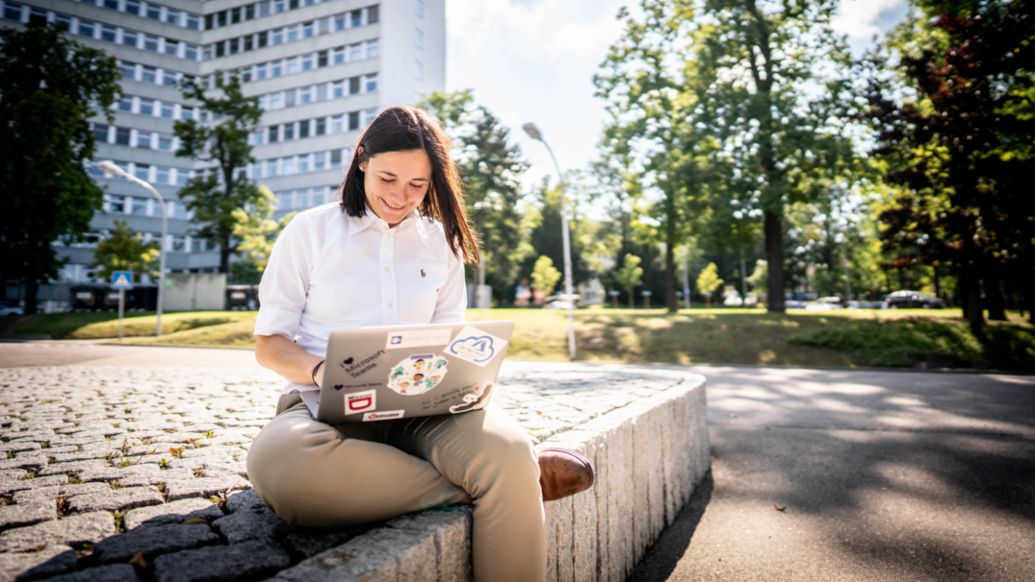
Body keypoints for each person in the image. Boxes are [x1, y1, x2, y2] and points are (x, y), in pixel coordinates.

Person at [245, 105, 594, 582]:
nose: (400, 197)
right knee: (282, 467)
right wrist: (323, 371)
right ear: (362, 160)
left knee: (507, 449)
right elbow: (270, 345)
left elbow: (449, 341)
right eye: (389, 178)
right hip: (323, 409)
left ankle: (511, 474)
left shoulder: (441, 243)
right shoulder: (309, 232)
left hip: (425, 412)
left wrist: (469, 379)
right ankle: (514, 483)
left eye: (418, 186)